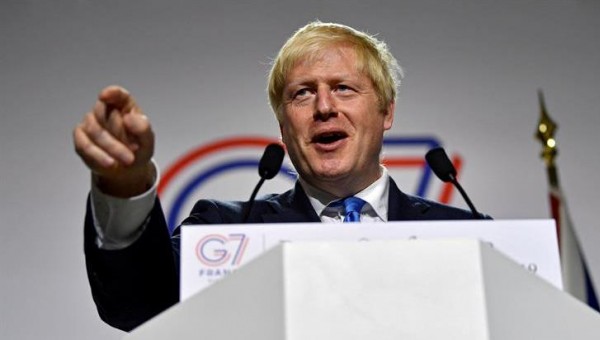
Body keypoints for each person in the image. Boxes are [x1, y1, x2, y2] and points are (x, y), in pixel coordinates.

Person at [73, 21, 480, 332]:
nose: (323, 107)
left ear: (386, 112)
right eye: (301, 93)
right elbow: (138, 308)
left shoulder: (467, 236)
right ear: (284, 126)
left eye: (343, 88)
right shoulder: (226, 232)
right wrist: (125, 186)